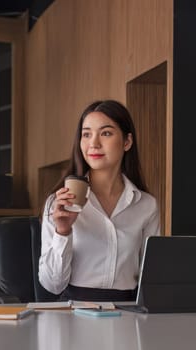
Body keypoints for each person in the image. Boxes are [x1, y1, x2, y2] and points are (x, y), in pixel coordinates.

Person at [39, 99, 160, 301]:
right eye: (86, 134)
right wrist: (63, 231)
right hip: (73, 312)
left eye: (105, 133)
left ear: (127, 142)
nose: (93, 143)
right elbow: (52, 285)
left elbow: (151, 276)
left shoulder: (146, 205)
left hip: (128, 313)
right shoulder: (59, 202)